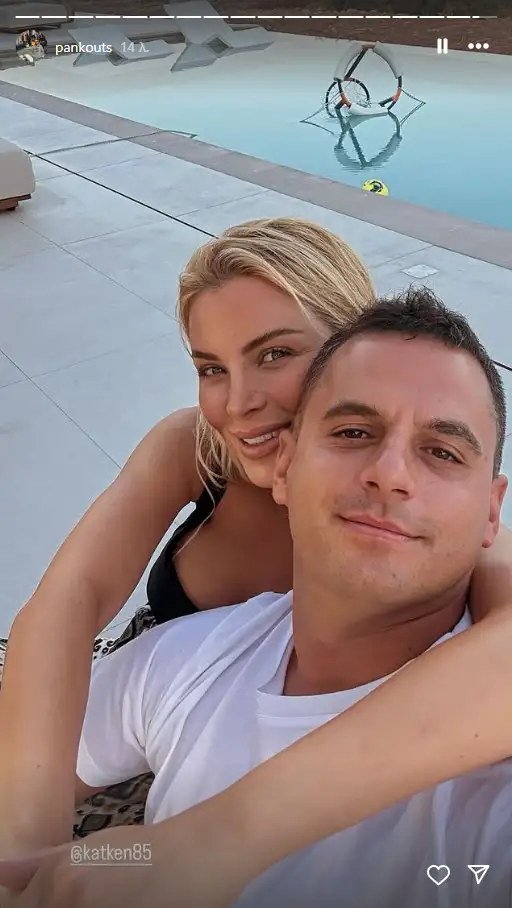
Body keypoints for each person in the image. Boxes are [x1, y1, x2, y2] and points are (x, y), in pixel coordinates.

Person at [0, 220, 511, 859]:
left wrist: (224, 835)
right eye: (212, 368)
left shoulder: (441, 528)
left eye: (274, 355)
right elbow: (69, 598)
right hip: (154, 703)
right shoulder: (195, 448)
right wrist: (25, 836)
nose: (239, 402)